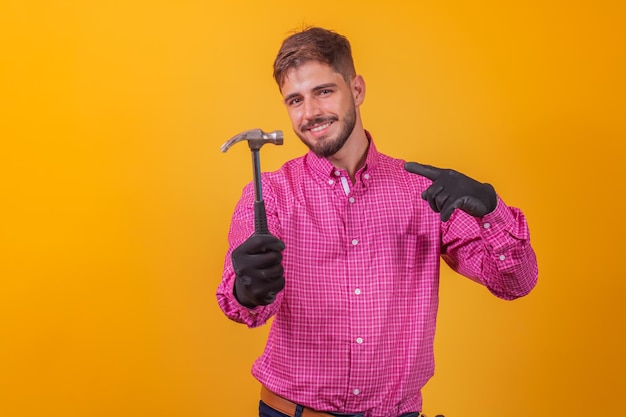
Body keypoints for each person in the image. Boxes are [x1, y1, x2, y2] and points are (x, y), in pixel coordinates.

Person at [216, 26, 538, 417]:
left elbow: (515, 283)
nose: (310, 113)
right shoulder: (271, 195)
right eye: (295, 100)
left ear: (357, 90)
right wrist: (248, 289)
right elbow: (245, 309)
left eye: (324, 91)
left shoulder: (421, 191)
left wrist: (491, 211)